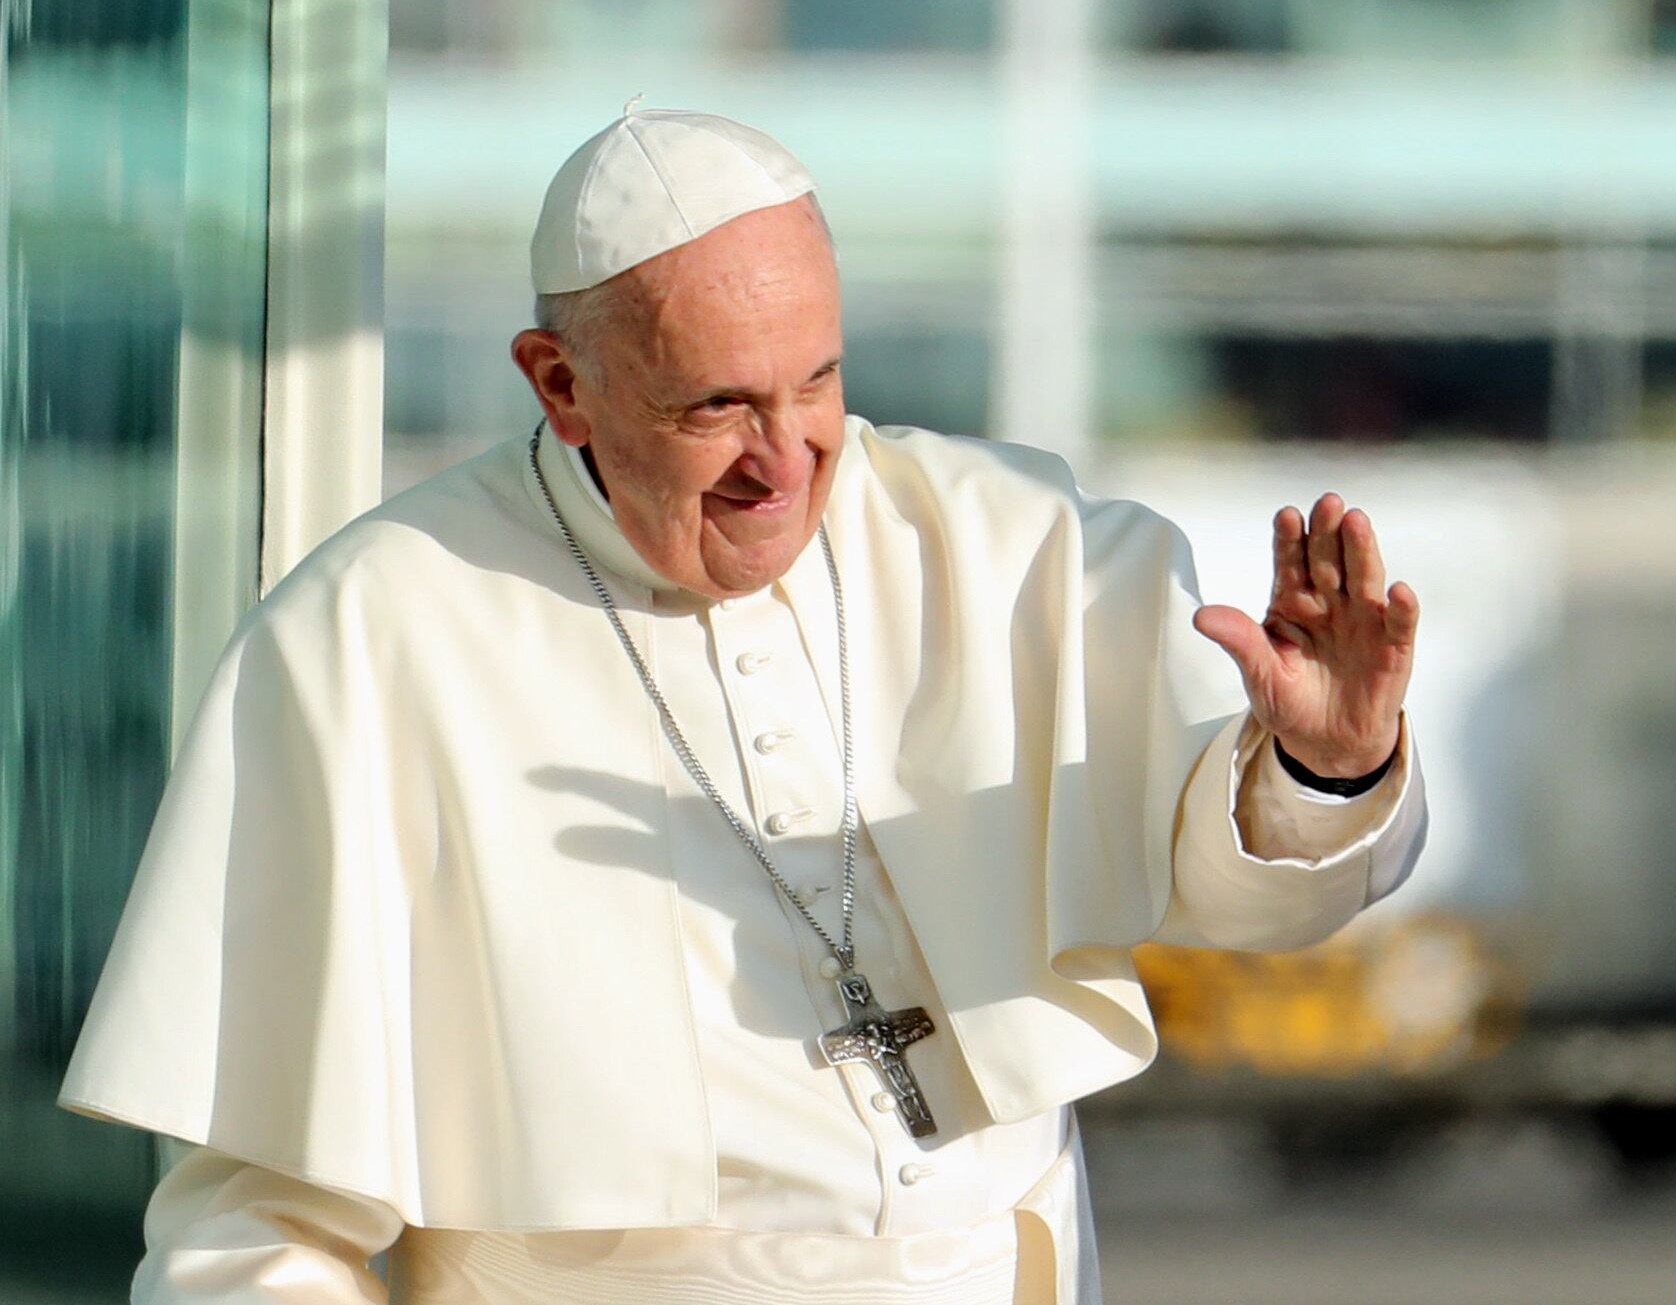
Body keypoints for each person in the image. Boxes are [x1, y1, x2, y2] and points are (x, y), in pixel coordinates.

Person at [58, 105, 1429, 1304]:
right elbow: (254, 1226)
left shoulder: (1002, 545)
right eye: (718, 406)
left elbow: (1250, 898)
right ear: (562, 386)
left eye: (819, 382)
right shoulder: (371, 634)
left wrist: (1324, 768)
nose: (787, 462)